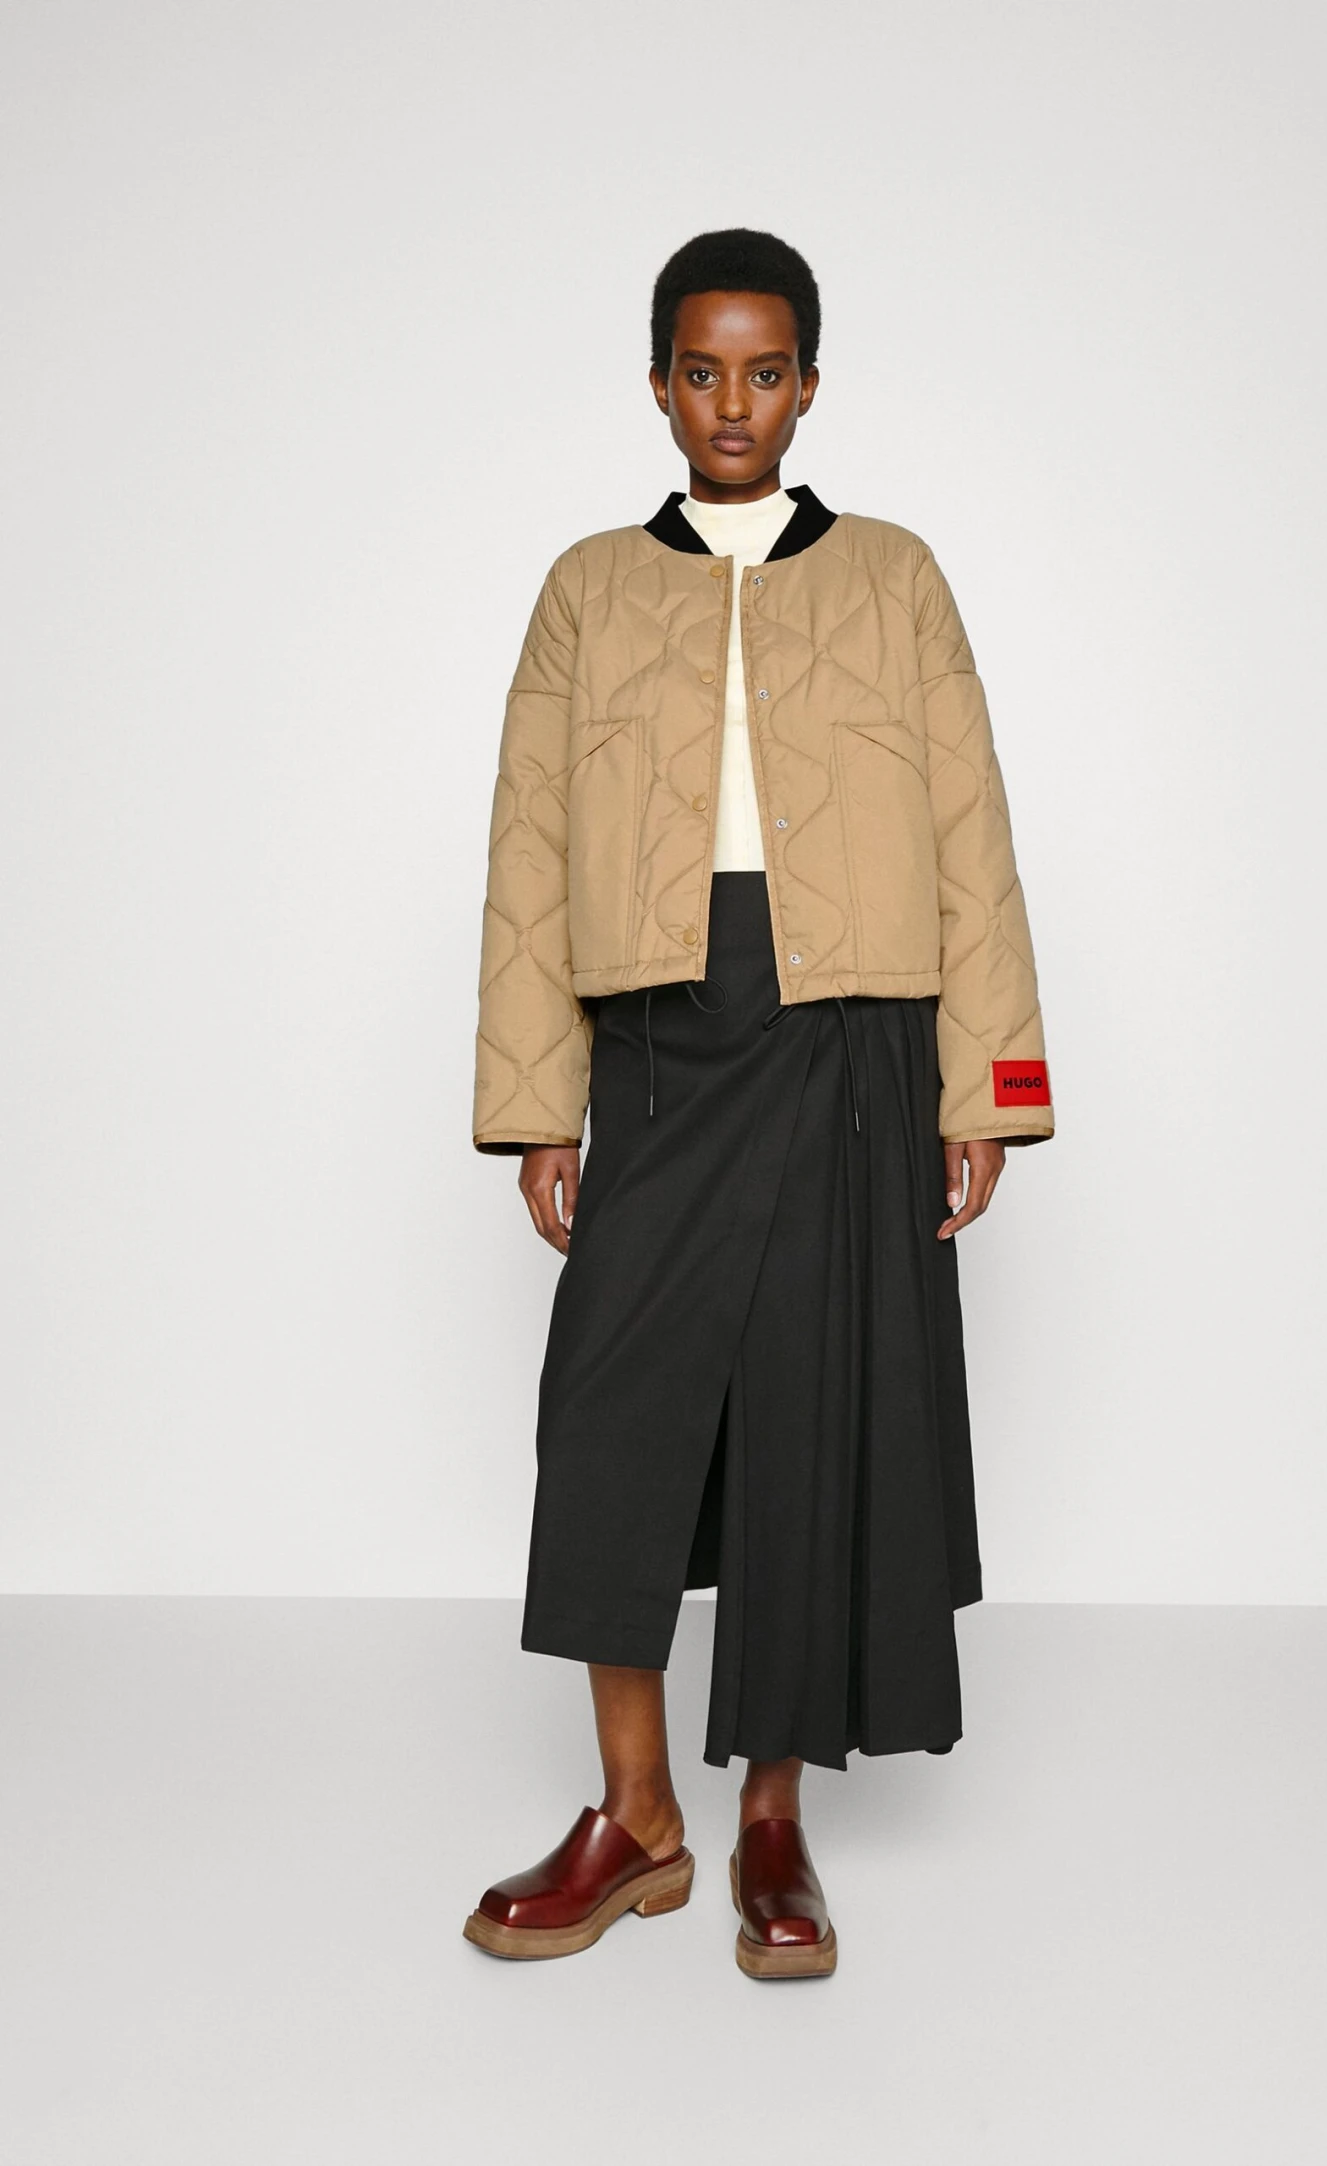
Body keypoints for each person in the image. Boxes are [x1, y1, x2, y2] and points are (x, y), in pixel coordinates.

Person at [461, 229, 1054, 1979]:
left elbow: (972, 829)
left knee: (810, 1417)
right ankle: (635, 1812)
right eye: (703, 371)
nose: (735, 403)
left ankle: (773, 1819)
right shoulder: (585, 588)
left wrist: (988, 1085)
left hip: (853, 1036)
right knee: (611, 1409)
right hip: (655, 1029)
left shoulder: (895, 575)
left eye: (766, 371)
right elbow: (525, 850)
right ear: (659, 384)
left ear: (808, 385)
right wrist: (539, 1102)